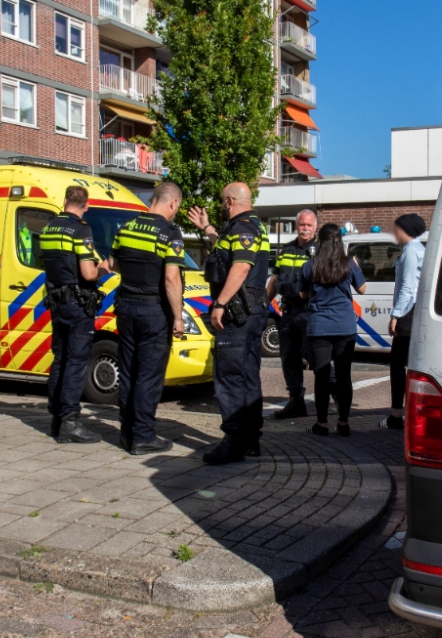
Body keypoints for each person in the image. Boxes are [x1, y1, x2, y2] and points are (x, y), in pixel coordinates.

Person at [188, 183, 270, 465]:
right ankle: (250, 440)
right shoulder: (249, 227)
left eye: (222, 201)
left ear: (231, 201)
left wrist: (220, 303)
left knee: (230, 376)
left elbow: (241, 265)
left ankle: (234, 440)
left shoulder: (242, 228)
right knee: (247, 375)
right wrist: (207, 229)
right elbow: (227, 254)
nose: (220, 205)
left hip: (236, 312)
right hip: (251, 310)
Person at [109, 182, 185, 456]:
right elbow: (171, 277)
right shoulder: (169, 233)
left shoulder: (126, 228)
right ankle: (143, 436)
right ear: (173, 203)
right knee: (149, 375)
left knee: (128, 371)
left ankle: (127, 432)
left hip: (126, 308)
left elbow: (114, 263)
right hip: (153, 311)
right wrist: (177, 317)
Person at [40, 185, 109, 444]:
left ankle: (56, 418)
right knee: (77, 361)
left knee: (60, 358)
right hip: (78, 303)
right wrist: (105, 268)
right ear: (86, 205)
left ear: (64, 200)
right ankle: (70, 420)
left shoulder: (48, 228)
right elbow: (88, 273)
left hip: (56, 301)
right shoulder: (81, 229)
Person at [300, 224, 367, 437]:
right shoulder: (348, 265)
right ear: (339, 242)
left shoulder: (310, 265)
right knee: (344, 375)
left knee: (321, 376)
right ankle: (344, 422)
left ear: (320, 241)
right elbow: (362, 289)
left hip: (319, 327)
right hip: (345, 326)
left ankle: (321, 424)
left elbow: (303, 295)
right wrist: (356, 266)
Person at [266, 209, 317, 419]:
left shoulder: (320, 250)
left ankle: (340, 403)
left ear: (315, 227)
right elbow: (275, 280)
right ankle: (296, 402)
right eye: (302, 225)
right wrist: (263, 303)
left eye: (309, 225)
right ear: (297, 226)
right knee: (288, 359)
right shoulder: (285, 250)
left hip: (309, 312)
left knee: (315, 357)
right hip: (288, 312)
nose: (305, 229)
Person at [381, 213, 426, 430]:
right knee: (414, 363)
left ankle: (396, 415)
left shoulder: (410, 251)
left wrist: (396, 315)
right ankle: (414, 412)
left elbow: (408, 287)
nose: (394, 232)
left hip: (408, 311)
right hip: (417, 311)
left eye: (396, 228)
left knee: (397, 364)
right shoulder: (421, 250)